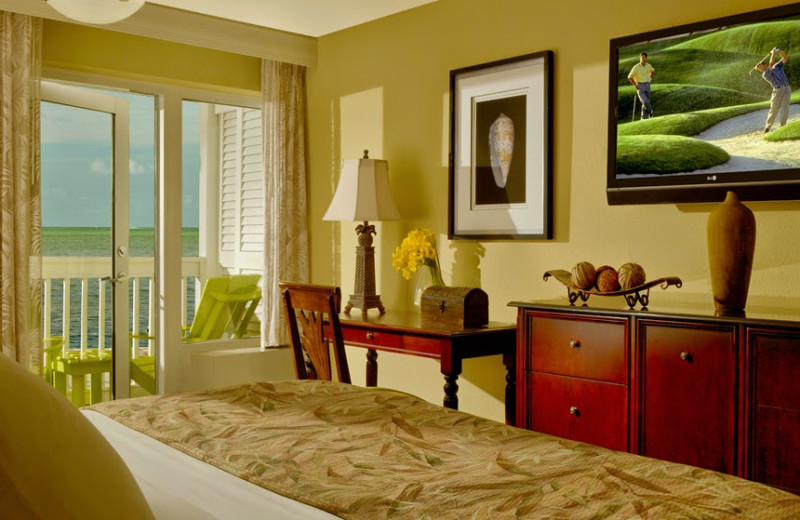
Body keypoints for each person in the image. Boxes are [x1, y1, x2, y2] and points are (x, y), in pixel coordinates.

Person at [755, 47, 791, 133]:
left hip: (787, 89)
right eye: (759, 69)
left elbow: (785, 57)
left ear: (764, 64)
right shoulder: (765, 74)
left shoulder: (777, 66)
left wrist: (778, 50)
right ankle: (767, 127)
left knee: (784, 108)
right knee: (774, 109)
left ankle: (783, 127)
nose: (761, 70)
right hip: (777, 91)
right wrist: (773, 53)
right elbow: (771, 64)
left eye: (760, 68)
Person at [628, 52, 656, 119]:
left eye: (644, 57)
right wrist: (635, 85)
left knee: (646, 102)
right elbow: (630, 77)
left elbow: (652, 71)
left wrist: (650, 78)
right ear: (640, 58)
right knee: (645, 101)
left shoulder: (648, 65)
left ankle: (643, 117)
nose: (643, 59)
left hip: (647, 85)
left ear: (646, 58)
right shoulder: (636, 67)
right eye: (642, 57)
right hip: (640, 86)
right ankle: (651, 112)